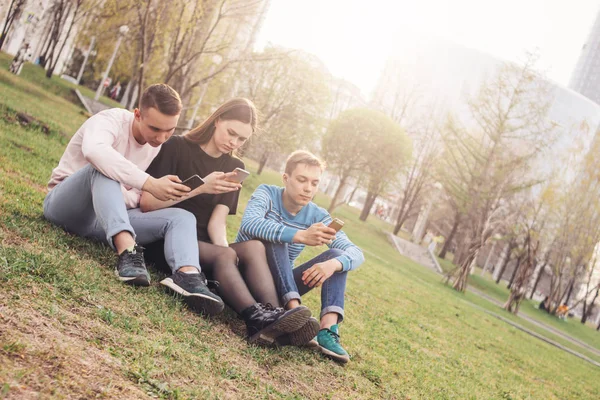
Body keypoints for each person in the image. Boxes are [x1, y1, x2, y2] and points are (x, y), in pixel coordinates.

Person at [140, 98, 311, 345]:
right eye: (231, 133)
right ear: (217, 120)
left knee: (253, 247)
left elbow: (217, 222)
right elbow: (147, 203)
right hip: (169, 240)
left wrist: (225, 249)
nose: (234, 142)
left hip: (206, 246)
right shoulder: (177, 146)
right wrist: (201, 188)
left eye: (242, 139)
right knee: (224, 255)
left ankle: (279, 316)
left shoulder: (234, 166)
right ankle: (254, 318)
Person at [43, 84, 224, 315]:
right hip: (66, 207)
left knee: (182, 217)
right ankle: (127, 253)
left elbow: (136, 198)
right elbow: (94, 152)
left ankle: (187, 277)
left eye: (170, 130)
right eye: (155, 128)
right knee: (103, 168)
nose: (162, 137)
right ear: (137, 114)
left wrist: (151, 190)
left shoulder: (158, 144)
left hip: (107, 219)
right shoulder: (110, 121)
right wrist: (148, 183)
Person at [237, 150, 365, 363]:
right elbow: (250, 223)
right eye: (302, 180)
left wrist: (333, 264)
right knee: (275, 236)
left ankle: (327, 330)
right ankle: (295, 313)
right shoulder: (266, 193)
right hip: (245, 278)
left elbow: (356, 253)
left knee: (336, 255)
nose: (308, 188)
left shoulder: (317, 215)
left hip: (279, 285)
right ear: (286, 178)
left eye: (314, 183)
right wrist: (300, 235)